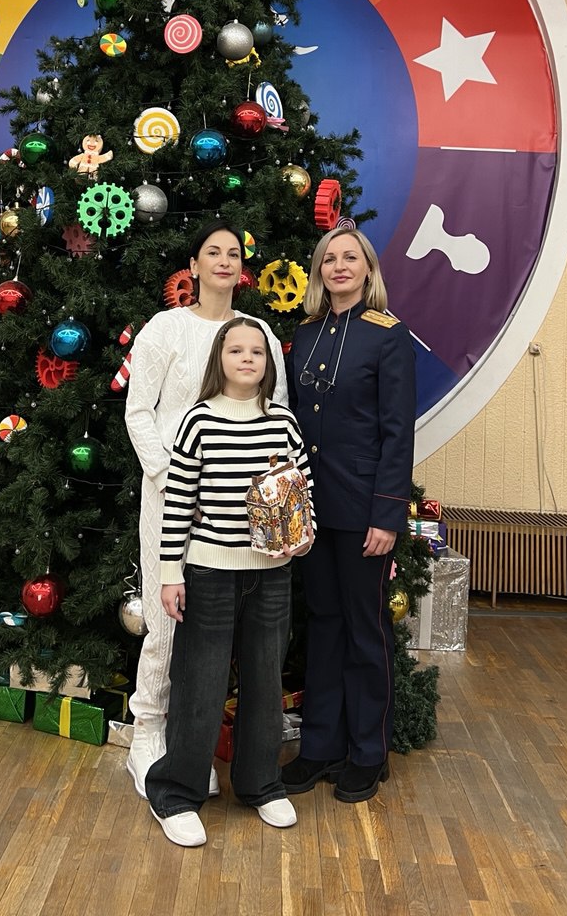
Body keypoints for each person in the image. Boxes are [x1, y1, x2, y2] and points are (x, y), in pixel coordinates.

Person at [124, 222, 288, 799]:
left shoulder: (258, 333)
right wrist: (168, 474)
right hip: (170, 494)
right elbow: (138, 411)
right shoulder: (165, 328)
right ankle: (148, 732)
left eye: (233, 253)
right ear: (193, 266)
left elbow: (275, 416)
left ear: (242, 268)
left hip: (242, 510)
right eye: (212, 252)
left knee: (227, 634)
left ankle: (197, 747)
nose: (224, 261)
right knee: (166, 617)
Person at [146, 317, 313, 847]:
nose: (247, 359)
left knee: (264, 684)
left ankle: (261, 783)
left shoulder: (283, 423)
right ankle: (177, 792)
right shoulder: (198, 421)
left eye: (256, 352)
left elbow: (303, 491)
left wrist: (301, 541)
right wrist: (170, 573)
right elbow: (179, 502)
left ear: (268, 364)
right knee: (200, 684)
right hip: (210, 573)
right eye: (236, 350)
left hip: (271, 577)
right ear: (219, 359)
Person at [281, 226, 416, 804]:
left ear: (367, 269)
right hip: (313, 507)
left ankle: (367, 753)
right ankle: (320, 747)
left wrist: (387, 515)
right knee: (324, 625)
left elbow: (397, 433)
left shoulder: (388, 335)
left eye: (350, 258)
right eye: (329, 258)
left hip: (364, 511)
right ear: (319, 271)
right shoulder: (305, 334)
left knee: (365, 630)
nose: (339, 266)